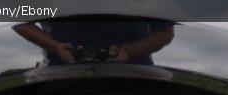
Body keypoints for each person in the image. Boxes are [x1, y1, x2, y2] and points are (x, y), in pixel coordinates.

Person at [14, 21, 174, 66]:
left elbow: (165, 31)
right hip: (61, 68)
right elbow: (19, 18)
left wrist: (128, 50)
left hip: (134, 69)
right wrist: (55, 46)